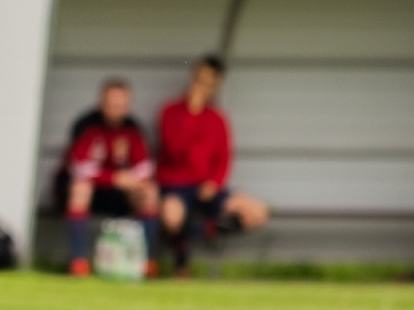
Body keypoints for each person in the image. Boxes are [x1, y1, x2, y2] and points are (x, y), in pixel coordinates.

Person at [156, 55, 269, 275]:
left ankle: (204, 230)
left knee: (256, 213)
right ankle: (182, 264)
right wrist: (191, 112)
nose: (200, 86)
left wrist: (214, 183)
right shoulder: (170, 112)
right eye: (198, 79)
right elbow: (173, 148)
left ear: (216, 86)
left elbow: (224, 158)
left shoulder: (218, 119)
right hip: (175, 184)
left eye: (207, 83)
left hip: (207, 186)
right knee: (171, 216)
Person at [54, 78, 159, 278]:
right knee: (80, 189)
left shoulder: (133, 128)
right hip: (91, 192)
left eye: (121, 105)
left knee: (149, 192)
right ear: (101, 102)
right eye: (112, 104)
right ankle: (78, 262)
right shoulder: (87, 126)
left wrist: (131, 180)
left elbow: (145, 168)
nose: (116, 109)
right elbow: (79, 168)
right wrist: (114, 178)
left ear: (128, 106)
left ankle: (147, 262)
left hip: (120, 194)